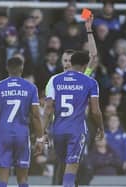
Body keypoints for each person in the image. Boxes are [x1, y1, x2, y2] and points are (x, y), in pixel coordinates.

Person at [44, 51, 104, 187]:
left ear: (71, 63)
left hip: (57, 130)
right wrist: (101, 127)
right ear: (84, 66)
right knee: (71, 168)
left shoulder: (54, 79)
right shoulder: (89, 81)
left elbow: (48, 108)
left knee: (64, 165)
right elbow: (95, 111)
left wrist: (43, 130)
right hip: (76, 130)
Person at [0, 57, 44, 187]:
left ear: (7, 68)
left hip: (3, 132)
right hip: (22, 134)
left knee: (2, 180)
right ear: (22, 68)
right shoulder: (31, 87)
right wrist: (40, 139)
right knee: (23, 180)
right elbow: (36, 116)